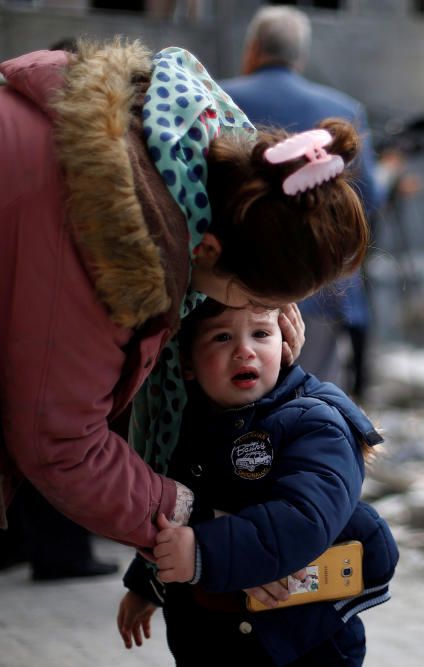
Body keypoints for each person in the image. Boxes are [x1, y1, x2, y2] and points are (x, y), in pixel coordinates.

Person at [0, 40, 366, 560]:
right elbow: (61, 443)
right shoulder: (100, 245)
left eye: (269, 320)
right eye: (257, 298)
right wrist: (188, 518)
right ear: (210, 250)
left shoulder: (200, 152)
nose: (267, 326)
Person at [117, 298, 396, 666]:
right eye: (221, 337)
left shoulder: (314, 421)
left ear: (285, 343)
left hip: (299, 643)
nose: (244, 350)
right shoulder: (184, 427)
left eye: (261, 333)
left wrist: (202, 552)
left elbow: (303, 519)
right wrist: (149, 581)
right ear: (185, 362)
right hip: (208, 636)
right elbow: (180, 508)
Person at [222, 5, 401, 401]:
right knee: (309, 410)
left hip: (227, 285)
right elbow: (367, 197)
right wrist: (389, 175)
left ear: (252, 49)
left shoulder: (217, 97)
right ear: (299, 56)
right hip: (319, 290)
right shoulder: (343, 110)